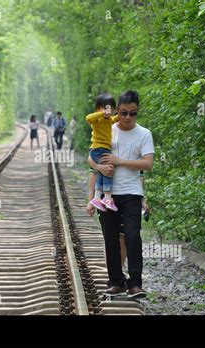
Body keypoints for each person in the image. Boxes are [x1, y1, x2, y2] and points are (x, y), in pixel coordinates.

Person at [87, 90, 154, 298]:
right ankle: (116, 281)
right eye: (123, 113)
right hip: (109, 195)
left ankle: (135, 283)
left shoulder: (144, 134)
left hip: (132, 193)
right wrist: (99, 168)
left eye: (132, 113)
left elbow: (147, 164)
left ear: (137, 112)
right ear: (117, 110)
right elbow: (91, 159)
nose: (127, 118)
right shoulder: (107, 128)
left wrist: (119, 161)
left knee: (133, 237)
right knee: (111, 239)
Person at [85, 93, 119, 212]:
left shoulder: (109, 120)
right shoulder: (97, 119)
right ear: (98, 108)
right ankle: (108, 197)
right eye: (104, 107)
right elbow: (88, 118)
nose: (107, 111)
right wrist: (102, 113)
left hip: (103, 149)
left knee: (101, 173)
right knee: (108, 169)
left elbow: (115, 119)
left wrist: (120, 113)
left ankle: (97, 198)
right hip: (98, 148)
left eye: (110, 108)